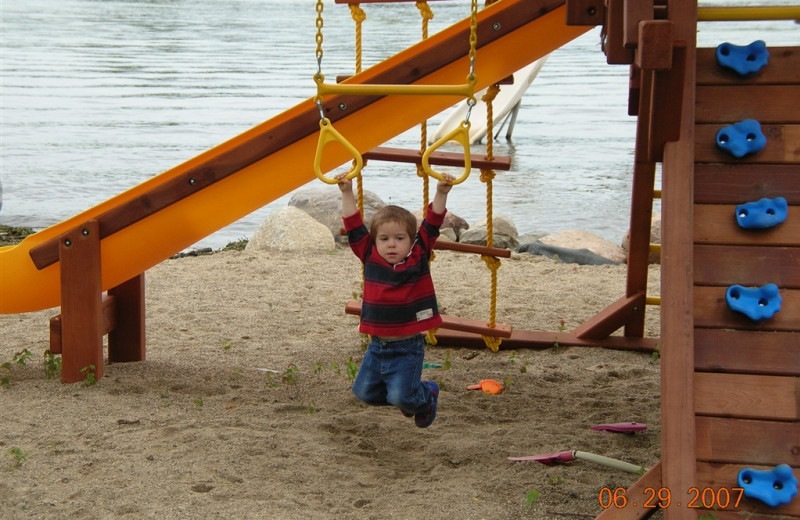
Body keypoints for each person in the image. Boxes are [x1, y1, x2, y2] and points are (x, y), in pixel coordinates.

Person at [335, 172, 455, 428]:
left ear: (411, 241)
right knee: (364, 393)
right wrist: (347, 191)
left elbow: (432, 223)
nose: (391, 245)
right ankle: (409, 399)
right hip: (377, 346)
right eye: (384, 239)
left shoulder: (418, 254)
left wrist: (441, 193)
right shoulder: (369, 254)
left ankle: (425, 394)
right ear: (375, 240)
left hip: (408, 347)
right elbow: (353, 224)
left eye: (399, 239)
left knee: (402, 396)